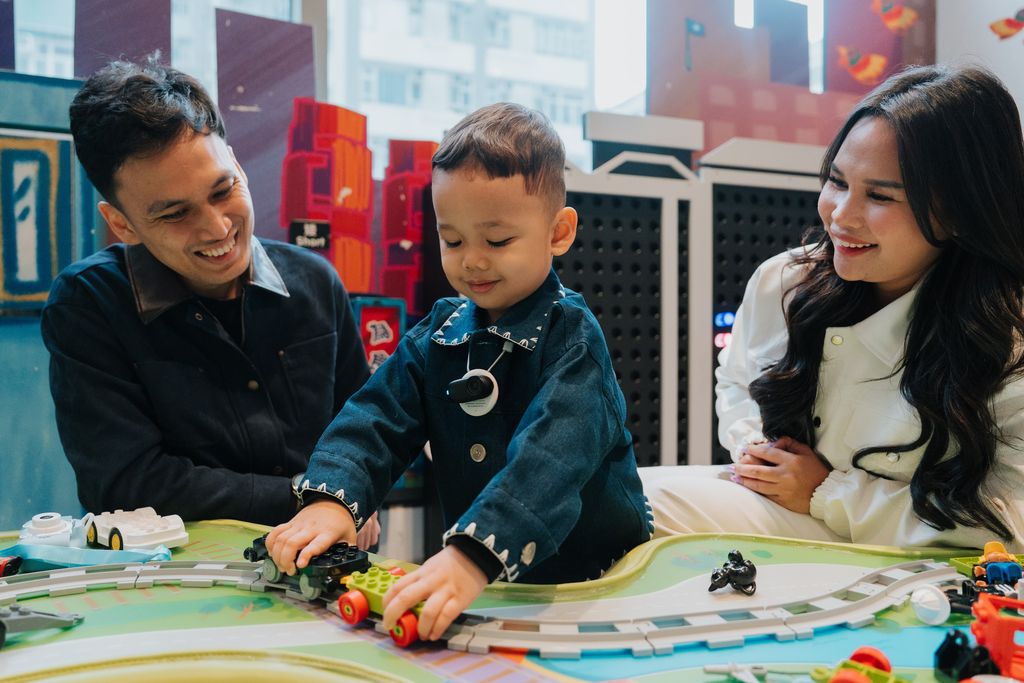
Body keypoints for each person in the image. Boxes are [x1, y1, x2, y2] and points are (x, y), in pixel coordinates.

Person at [266, 102, 652, 640]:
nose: (472, 260)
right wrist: (334, 498)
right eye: (453, 240)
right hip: (491, 576)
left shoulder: (572, 339)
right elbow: (376, 417)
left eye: (497, 241)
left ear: (558, 233)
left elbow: (552, 458)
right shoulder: (440, 333)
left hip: (598, 578)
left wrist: (474, 552)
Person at [641, 63, 1024, 551]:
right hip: (780, 515)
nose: (841, 216)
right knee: (617, 504)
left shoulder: (1007, 341)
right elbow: (736, 375)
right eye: (837, 182)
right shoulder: (785, 280)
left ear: (957, 213)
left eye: (880, 196)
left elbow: (1012, 521)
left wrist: (829, 492)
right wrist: (755, 446)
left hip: (916, 562)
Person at [41, 58, 376, 534]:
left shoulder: (316, 282)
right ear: (121, 224)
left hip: (327, 569)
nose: (218, 227)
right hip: (176, 585)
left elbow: (367, 434)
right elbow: (126, 485)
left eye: (224, 190)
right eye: (175, 214)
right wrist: (319, 499)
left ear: (237, 164)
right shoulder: (89, 304)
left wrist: (351, 491)